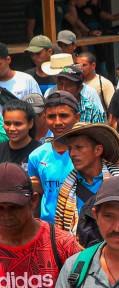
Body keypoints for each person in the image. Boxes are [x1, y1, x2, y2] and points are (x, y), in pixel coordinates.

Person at [53, 122, 119, 239]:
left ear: (98, 150)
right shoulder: (67, 187)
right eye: (70, 149)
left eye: (79, 148)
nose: (72, 154)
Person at [27, 91, 79, 224]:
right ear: (44, 117)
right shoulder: (37, 156)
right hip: (49, 229)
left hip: (83, 228)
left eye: (63, 115)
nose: (57, 122)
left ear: (77, 117)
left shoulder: (87, 154)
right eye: (51, 116)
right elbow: (36, 197)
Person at [0, 100, 41, 169]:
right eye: (7, 123)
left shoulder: (40, 152)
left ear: (30, 123)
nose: (11, 128)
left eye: (17, 124)